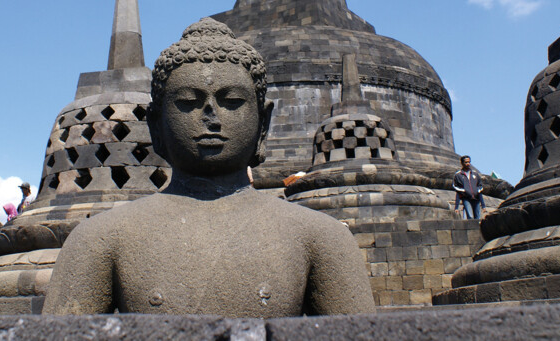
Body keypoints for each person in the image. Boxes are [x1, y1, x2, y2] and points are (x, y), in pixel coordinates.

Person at [43, 18, 375, 318]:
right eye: (188, 103)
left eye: (233, 102)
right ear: (155, 125)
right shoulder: (101, 238)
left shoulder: (320, 237)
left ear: (264, 124)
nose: (211, 117)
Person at [453, 155, 484, 219]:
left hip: (476, 198)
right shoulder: (458, 175)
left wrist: (483, 205)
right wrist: (456, 207)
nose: (468, 164)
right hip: (466, 198)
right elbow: (457, 190)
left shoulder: (475, 174)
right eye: (466, 162)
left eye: (469, 162)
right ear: (462, 163)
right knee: (470, 216)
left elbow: (480, 188)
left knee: (478, 217)